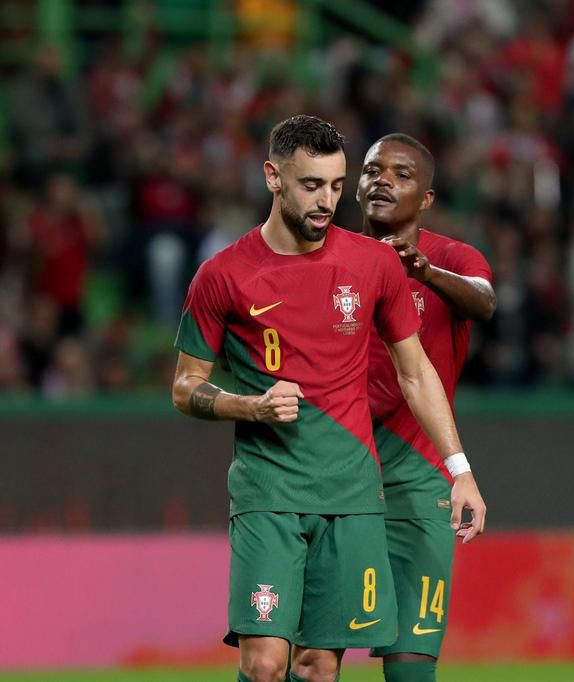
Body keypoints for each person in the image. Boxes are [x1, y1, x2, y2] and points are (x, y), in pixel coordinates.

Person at [170, 115, 486, 682]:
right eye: (312, 185)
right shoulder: (222, 276)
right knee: (265, 662)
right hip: (268, 489)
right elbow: (184, 386)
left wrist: (460, 469)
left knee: (319, 666)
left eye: (337, 187)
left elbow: (417, 372)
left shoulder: (373, 265)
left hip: (350, 493)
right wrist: (249, 406)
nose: (327, 201)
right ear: (273, 177)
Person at [357, 133, 495, 682]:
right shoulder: (328, 258)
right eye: (371, 170)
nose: (382, 180)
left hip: (418, 474)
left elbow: (484, 300)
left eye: (401, 174)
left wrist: (423, 273)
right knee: (314, 654)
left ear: (427, 199)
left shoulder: (451, 257)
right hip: (340, 467)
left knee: (411, 658)